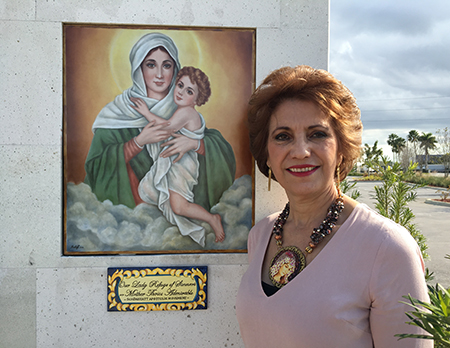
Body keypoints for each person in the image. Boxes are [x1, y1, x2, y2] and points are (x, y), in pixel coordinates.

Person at [235, 65, 432, 347]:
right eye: (282, 136)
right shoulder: (261, 236)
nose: (301, 151)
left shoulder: (387, 248)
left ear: (341, 148)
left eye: (317, 134)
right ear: (266, 154)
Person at [84, 33, 236, 214]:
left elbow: (221, 152)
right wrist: (137, 143)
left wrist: (196, 144)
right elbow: (96, 165)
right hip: (132, 216)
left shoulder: (182, 106)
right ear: (138, 68)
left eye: (166, 65)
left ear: (175, 70)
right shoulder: (118, 112)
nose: (159, 75)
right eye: (150, 65)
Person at [129, 66, 225, 246]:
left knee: (179, 206)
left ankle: (212, 219)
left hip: (182, 165)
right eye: (180, 85)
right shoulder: (183, 110)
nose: (181, 92)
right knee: (176, 204)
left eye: (189, 91)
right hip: (177, 163)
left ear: (198, 98)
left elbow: (167, 128)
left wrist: (146, 113)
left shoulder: (187, 112)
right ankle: (209, 219)